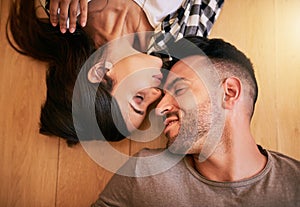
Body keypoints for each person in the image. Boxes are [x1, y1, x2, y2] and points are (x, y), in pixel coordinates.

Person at [91, 36, 300, 207]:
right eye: (162, 95)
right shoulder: (145, 173)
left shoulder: (294, 185)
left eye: (179, 89)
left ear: (229, 93)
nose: (160, 109)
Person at [6, 0, 224, 145]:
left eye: (139, 99)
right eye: (146, 107)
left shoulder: (67, 7)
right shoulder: (179, 44)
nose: (156, 95)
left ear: (101, 72)